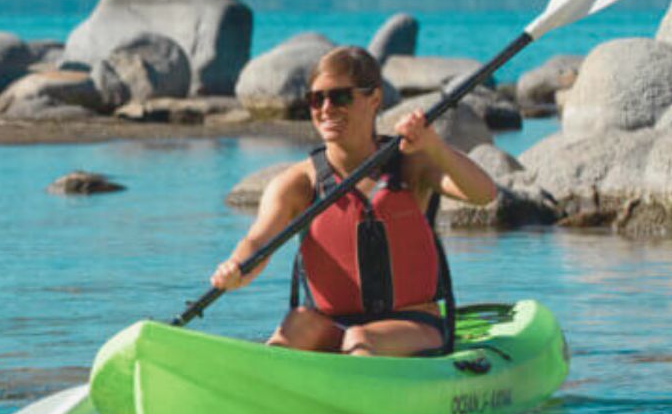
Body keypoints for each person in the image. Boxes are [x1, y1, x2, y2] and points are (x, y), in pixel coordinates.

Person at [208, 45, 496, 357]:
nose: (326, 108)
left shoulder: (411, 165)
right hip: (331, 324)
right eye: (316, 99)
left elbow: (484, 194)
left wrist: (435, 146)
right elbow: (257, 241)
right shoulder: (298, 183)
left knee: (361, 340)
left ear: (374, 99)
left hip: (413, 325)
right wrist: (235, 267)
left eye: (340, 96)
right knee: (298, 325)